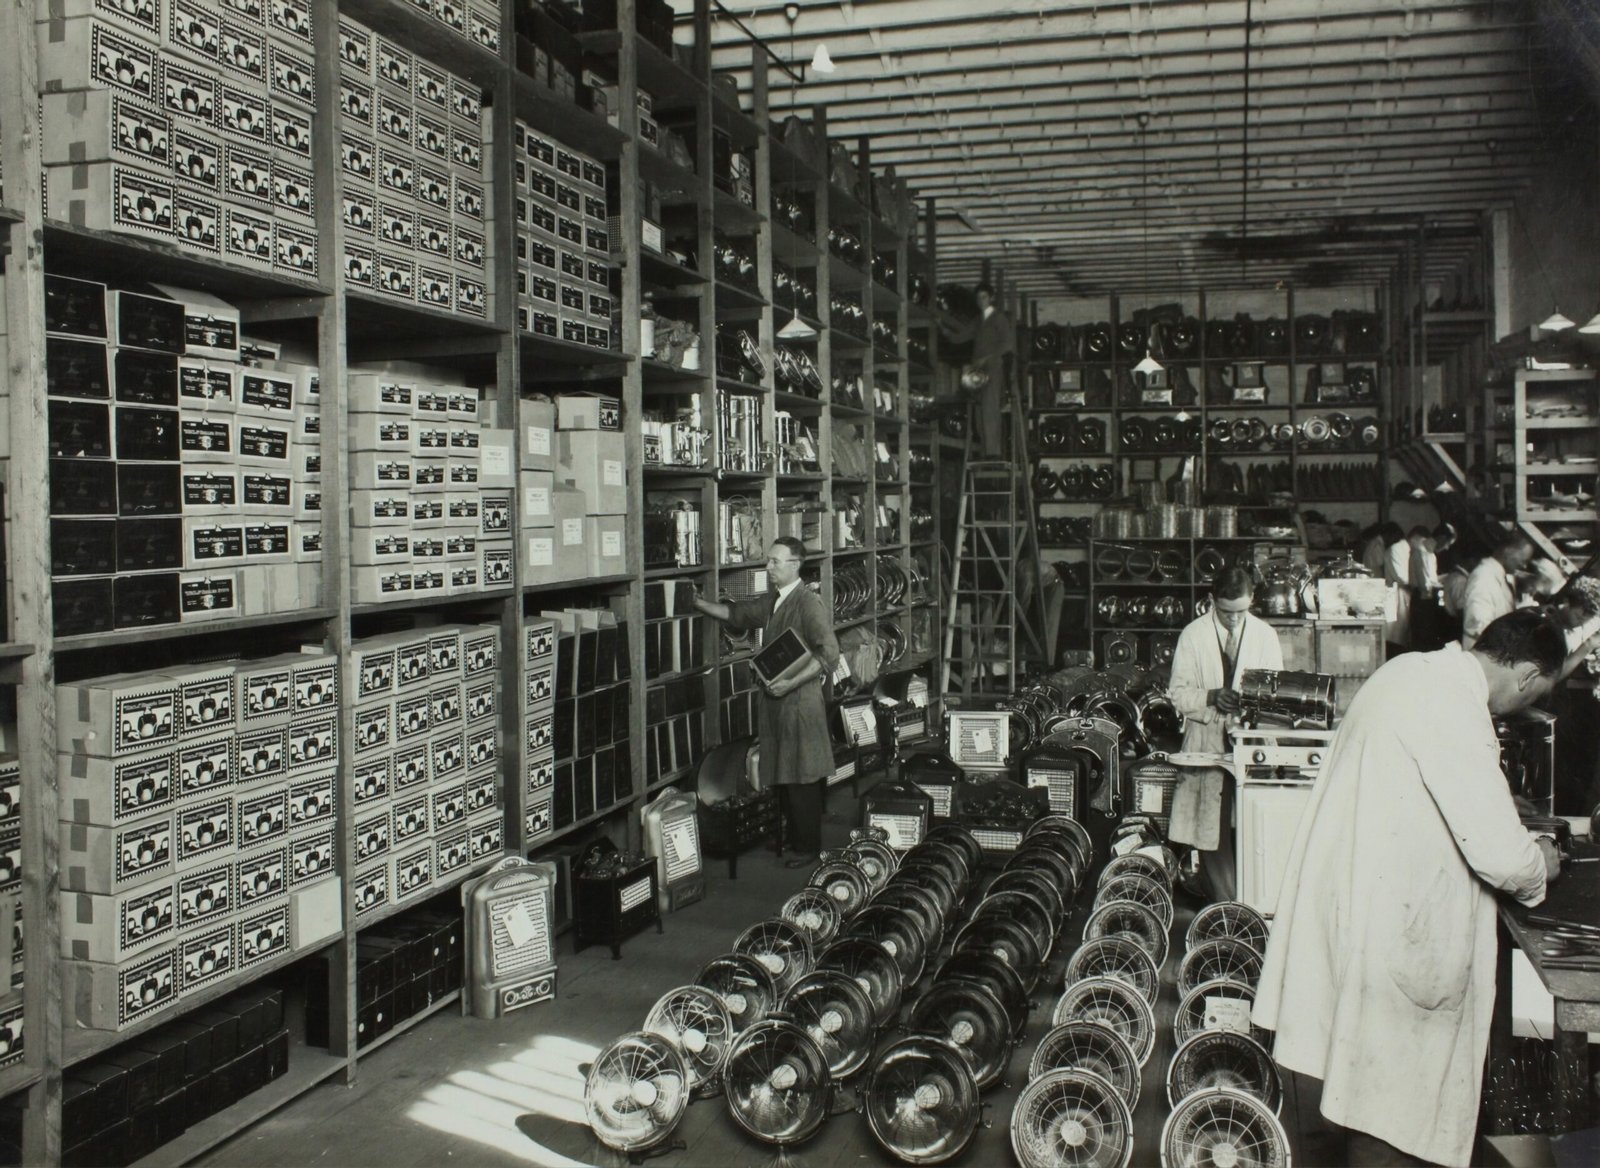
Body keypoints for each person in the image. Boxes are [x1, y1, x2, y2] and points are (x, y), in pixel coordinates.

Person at [1253, 611, 1571, 1167]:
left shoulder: (1412, 673)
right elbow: (1502, 858)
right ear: (1525, 675)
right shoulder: (1453, 706)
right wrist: (1541, 860)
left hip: (1363, 914)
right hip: (1397, 938)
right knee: (1396, 1105)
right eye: (1541, 690)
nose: (1533, 703)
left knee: (1368, 1087)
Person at [693, 538, 841, 867]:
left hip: (800, 703)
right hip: (778, 703)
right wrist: (700, 604)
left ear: (795, 565)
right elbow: (738, 614)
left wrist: (792, 681)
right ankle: (797, 835)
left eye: (775, 562)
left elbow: (829, 653)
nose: (768, 567)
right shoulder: (776, 599)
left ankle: (808, 847)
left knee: (801, 776)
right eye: (769, 561)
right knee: (786, 772)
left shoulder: (807, 603)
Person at [1166, 567, 1284, 900]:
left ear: (1252, 602)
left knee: (1249, 826)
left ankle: (1248, 901)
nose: (1233, 620)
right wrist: (1211, 697)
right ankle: (1226, 906)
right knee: (1211, 832)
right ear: (1211, 601)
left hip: (1250, 741)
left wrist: (1249, 703)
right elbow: (1178, 694)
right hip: (1207, 743)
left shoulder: (1265, 636)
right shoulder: (1193, 635)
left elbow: (1276, 695)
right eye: (1226, 612)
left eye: (1241, 612)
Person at [938, 282, 1015, 457]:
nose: (981, 301)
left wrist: (987, 358)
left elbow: (1007, 344)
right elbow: (960, 338)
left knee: (990, 409)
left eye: (984, 297)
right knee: (979, 411)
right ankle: (985, 452)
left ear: (991, 298)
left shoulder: (998, 318)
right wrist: (943, 329)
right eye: (978, 297)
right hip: (977, 373)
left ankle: (994, 453)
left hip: (993, 368)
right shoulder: (978, 321)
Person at [1460, 529, 1536, 648]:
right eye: (1524, 560)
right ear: (1508, 550)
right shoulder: (1483, 577)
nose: (1524, 566)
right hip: (1483, 655)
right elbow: (1479, 626)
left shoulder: (1499, 576)